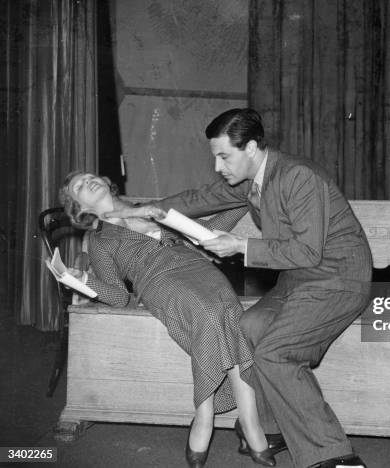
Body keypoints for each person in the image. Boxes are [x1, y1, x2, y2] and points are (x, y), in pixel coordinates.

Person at [107, 108, 373, 468]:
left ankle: (335, 456)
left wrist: (240, 246)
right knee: (246, 327)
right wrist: (150, 209)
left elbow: (307, 250)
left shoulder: (299, 177)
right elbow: (200, 199)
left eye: (223, 157)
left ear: (250, 147)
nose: (218, 167)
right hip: (300, 278)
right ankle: (272, 426)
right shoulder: (250, 178)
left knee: (276, 352)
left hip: (338, 278)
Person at [58, 171, 277, 468]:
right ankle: (207, 415)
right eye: (79, 186)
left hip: (198, 267)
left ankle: (248, 420)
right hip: (157, 281)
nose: (89, 181)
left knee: (230, 311)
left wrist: (242, 201)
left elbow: (206, 231)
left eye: (89, 176)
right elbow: (119, 296)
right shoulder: (99, 241)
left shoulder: (151, 208)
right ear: (79, 208)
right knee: (211, 313)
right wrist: (81, 279)